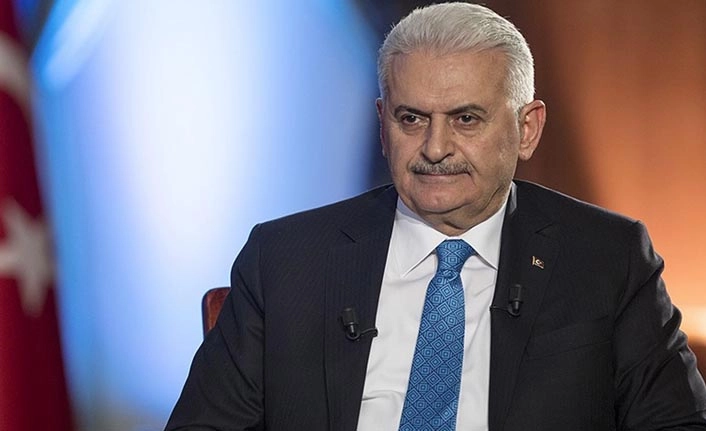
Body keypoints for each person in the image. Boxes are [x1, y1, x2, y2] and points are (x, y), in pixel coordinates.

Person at [165, 2, 706, 430]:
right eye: (411, 118)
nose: (435, 147)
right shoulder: (285, 259)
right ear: (383, 123)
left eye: (466, 119)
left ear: (528, 129)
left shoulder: (608, 258)